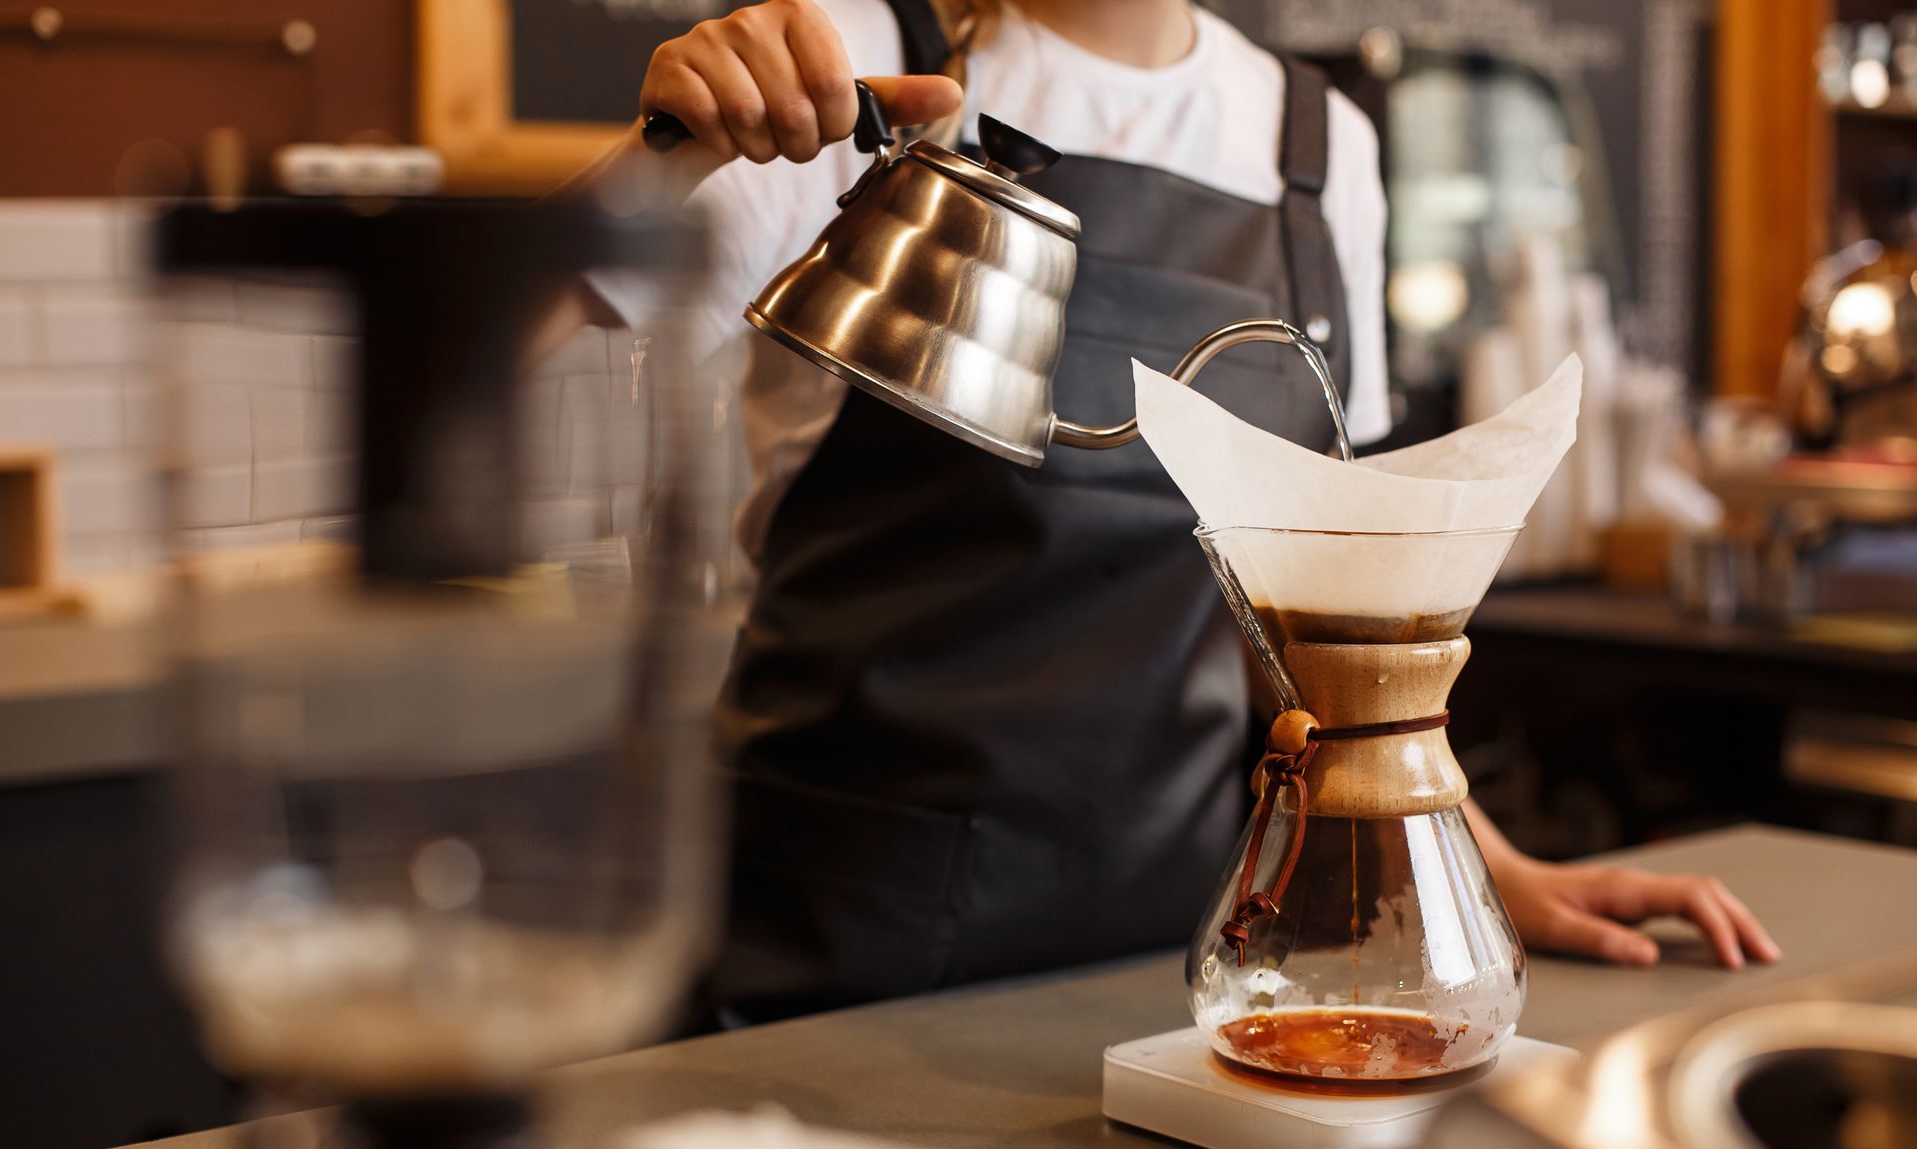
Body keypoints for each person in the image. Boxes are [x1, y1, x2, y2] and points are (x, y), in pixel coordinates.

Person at [580, 0, 1779, 1023]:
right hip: (829, 947)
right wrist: (664, 154)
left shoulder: (1320, 147)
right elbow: (480, 370)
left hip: (1173, 959)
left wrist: (1485, 863)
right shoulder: (844, 56)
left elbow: (1305, 602)